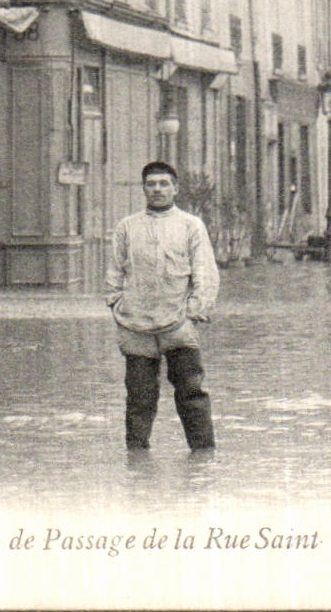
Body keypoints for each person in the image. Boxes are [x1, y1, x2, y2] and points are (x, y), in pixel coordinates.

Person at [105, 161, 219, 452]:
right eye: (151, 184)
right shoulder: (126, 227)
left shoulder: (191, 225)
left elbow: (204, 272)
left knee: (191, 393)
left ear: (175, 188)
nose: (157, 189)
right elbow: (114, 273)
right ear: (143, 189)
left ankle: (203, 459)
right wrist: (117, 304)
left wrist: (194, 312)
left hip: (178, 325)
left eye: (164, 184)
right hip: (136, 326)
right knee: (139, 398)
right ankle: (137, 462)